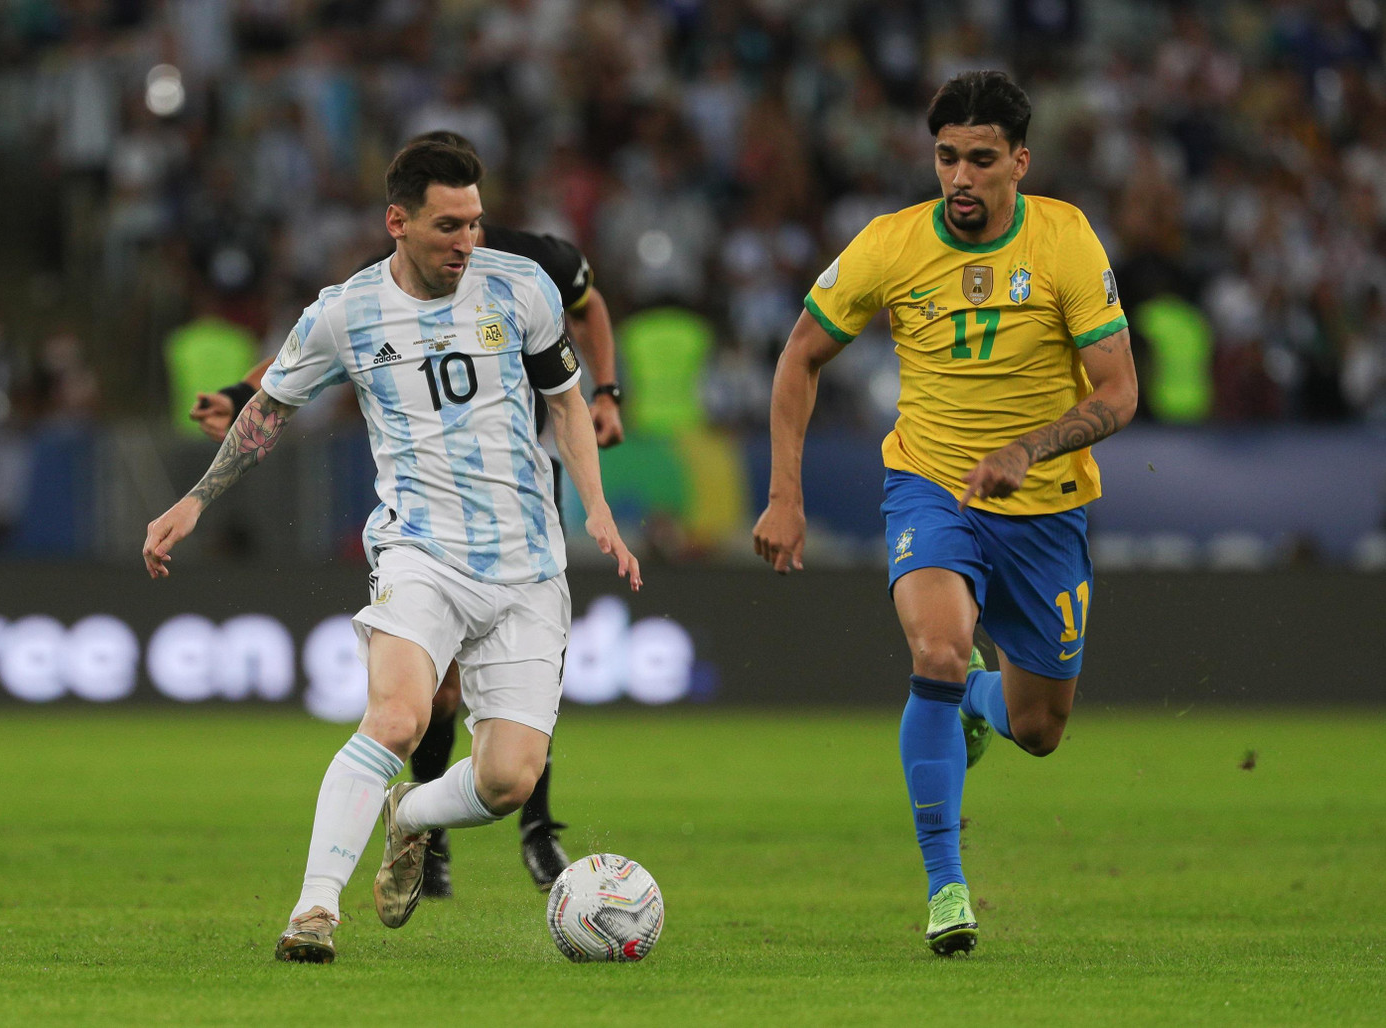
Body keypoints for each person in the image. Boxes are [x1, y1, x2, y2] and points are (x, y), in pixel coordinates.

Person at [143, 140, 641, 964]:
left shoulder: (522, 287)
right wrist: (196, 500)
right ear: (397, 223)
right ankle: (312, 912)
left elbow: (564, 403)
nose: (467, 242)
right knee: (399, 716)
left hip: (527, 563)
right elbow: (269, 408)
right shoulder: (347, 311)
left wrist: (599, 514)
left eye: (476, 223)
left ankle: (408, 815)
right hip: (420, 551)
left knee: (509, 780)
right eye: (449, 226)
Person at [752, 70, 1138, 957]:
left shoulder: (1065, 238)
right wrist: (784, 494)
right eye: (946, 157)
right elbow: (799, 358)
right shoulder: (889, 246)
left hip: (1046, 508)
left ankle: (974, 697)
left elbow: (1119, 392)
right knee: (932, 646)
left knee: (1040, 729)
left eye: (981, 159)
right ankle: (947, 887)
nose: (960, 177)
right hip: (932, 485)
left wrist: (1028, 450)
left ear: (1020, 162)